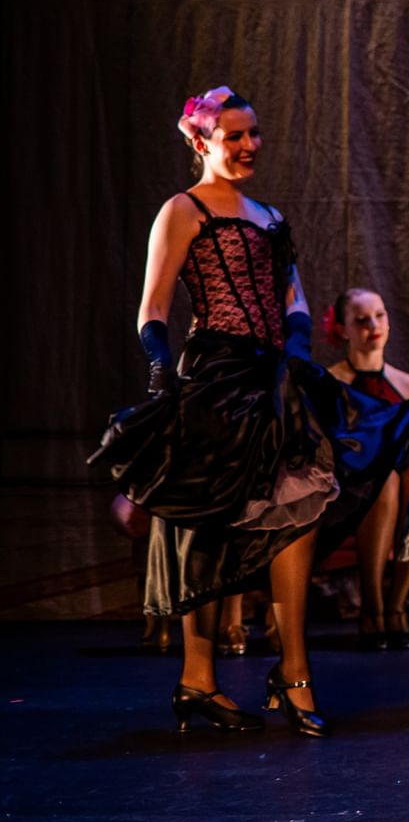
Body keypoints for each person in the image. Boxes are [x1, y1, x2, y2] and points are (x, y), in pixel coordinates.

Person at [91, 87, 339, 735]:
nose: (250, 145)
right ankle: (197, 679)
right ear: (201, 141)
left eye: (254, 132)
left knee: (299, 508)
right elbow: (153, 305)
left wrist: (298, 346)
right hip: (216, 375)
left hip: (275, 376)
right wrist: (158, 364)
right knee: (206, 524)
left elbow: (293, 298)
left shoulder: (270, 216)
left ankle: (294, 672)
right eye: (235, 136)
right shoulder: (185, 208)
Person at [318, 289, 409, 650]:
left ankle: (396, 606)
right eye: (362, 320)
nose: (373, 326)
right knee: (386, 479)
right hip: (346, 489)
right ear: (342, 329)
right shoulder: (330, 382)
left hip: (403, 484)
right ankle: (373, 607)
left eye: (379, 316)